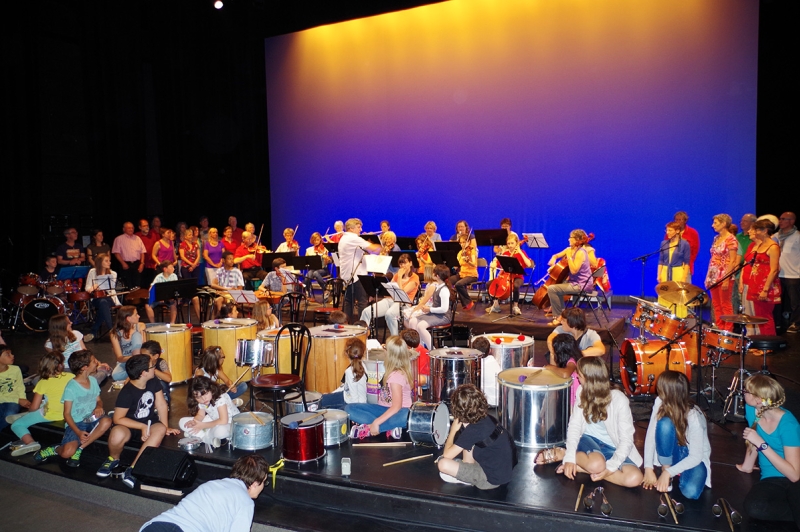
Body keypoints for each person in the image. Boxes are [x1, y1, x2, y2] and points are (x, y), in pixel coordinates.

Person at [535, 357, 643, 488]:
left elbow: (627, 440)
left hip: (612, 446)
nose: (577, 378)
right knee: (596, 464)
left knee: (635, 478)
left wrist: (608, 469)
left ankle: (581, 466)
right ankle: (569, 455)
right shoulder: (582, 392)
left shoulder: (619, 400)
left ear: (589, 379)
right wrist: (569, 457)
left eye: (579, 375)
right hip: (589, 440)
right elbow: (575, 426)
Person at [98, 354, 180, 487]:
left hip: (149, 422)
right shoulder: (127, 392)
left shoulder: (153, 382)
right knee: (116, 434)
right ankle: (113, 459)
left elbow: (161, 404)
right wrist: (141, 427)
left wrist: (165, 426)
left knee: (159, 429)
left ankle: (134, 468)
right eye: (152, 367)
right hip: (128, 424)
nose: (155, 368)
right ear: (143, 373)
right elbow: (118, 418)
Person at [139, 454, 268, 532]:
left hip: (155, 526)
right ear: (255, 483)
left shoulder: (211, 484)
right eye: (264, 482)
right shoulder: (246, 502)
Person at [736, 375, 800, 528]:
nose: (743, 393)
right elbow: (753, 437)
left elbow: (794, 475)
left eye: (747, 391)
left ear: (759, 399)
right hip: (772, 477)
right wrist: (747, 465)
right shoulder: (752, 409)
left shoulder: (788, 424)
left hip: (793, 477)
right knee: (754, 507)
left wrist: (762, 444)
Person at [33, 350, 113, 467]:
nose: (96, 363)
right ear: (85, 367)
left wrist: (99, 406)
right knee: (66, 453)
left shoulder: (93, 381)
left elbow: (99, 400)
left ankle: (80, 448)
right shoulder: (71, 387)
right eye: (93, 361)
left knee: (107, 421)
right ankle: (56, 449)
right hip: (76, 423)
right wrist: (78, 432)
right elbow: (67, 414)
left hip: (92, 418)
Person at [642, 371, 711, 500]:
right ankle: (666, 466)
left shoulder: (694, 415)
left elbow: (696, 456)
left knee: (691, 492)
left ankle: (673, 470)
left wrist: (669, 473)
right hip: (671, 453)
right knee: (664, 424)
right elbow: (651, 435)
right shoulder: (660, 402)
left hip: (690, 456)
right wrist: (648, 468)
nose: (657, 389)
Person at [436, 383, 514, 489]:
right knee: (466, 441)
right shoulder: (486, 418)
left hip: (490, 480)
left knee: (442, 464)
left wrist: (453, 430)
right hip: (501, 471)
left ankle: (467, 479)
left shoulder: (473, 430)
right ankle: (466, 469)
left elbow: (447, 455)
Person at [346, 335, 413, 439]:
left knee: (406, 415)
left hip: (398, 412)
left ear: (390, 354)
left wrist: (377, 422)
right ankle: (389, 427)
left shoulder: (397, 377)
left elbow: (397, 406)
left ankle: (371, 428)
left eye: (385, 347)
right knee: (349, 408)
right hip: (383, 409)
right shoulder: (391, 370)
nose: (383, 349)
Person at [10, 352, 74, 457]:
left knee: (16, 425)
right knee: (45, 402)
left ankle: (30, 442)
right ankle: (26, 415)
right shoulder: (71, 376)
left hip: (51, 415)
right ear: (61, 365)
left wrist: (31, 409)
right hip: (69, 411)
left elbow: (34, 407)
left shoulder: (42, 383)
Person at [361, 253, 420, 337]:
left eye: (405, 263)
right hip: (390, 300)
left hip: (404, 304)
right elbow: (388, 289)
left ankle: (395, 340)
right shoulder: (396, 276)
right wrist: (373, 294)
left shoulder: (415, 277)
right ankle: (362, 338)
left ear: (410, 263)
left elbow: (401, 292)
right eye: (401, 264)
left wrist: (399, 276)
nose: (403, 265)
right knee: (366, 312)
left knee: (390, 314)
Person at [740, 219, 782, 335]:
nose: (755, 231)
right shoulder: (760, 245)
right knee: (757, 315)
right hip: (755, 284)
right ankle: (759, 343)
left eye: (758, 229)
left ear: (765, 231)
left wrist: (765, 289)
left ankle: (767, 344)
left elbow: (774, 270)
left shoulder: (773, 247)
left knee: (765, 316)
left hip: (765, 286)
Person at [545, 229, 594, 325]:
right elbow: (556, 255)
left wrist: (569, 257)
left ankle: (559, 318)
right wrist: (553, 260)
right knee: (556, 289)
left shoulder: (581, 253)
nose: (568, 239)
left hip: (582, 285)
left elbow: (574, 270)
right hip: (573, 282)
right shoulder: (569, 250)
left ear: (576, 240)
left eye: (570, 238)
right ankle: (562, 317)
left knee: (552, 289)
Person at [45, 315, 112, 383]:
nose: (71, 323)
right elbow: (55, 361)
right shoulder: (49, 343)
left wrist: (98, 364)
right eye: (68, 322)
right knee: (96, 377)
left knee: (105, 369)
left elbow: (85, 351)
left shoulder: (76, 334)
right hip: (66, 369)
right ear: (61, 326)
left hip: (81, 366)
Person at [338, 218, 382, 321]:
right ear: (351, 228)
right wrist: (378, 241)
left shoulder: (344, 238)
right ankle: (362, 326)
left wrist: (365, 240)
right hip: (356, 275)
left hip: (347, 275)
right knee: (362, 301)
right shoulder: (353, 238)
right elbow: (374, 249)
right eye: (358, 227)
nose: (361, 229)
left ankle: (346, 326)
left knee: (349, 302)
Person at [179, 376, 239, 448]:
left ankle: (199, 435)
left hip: (230, 423)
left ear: (211, 389)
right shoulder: (202, 401)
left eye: (206, 394)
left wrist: (203, 425)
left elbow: (223, 420)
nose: (203, 399)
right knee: (182, 422)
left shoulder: (220, 398)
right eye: (198, 397)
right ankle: (208, 438)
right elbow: (201, 415)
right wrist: (194, 421)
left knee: (220, 431)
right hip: (213, 420)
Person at [405, 264, 452, 350]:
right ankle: (418, 347)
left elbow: (444, 309)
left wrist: (429, 309)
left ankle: (431, 350)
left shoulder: (444, 290)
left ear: (437, 276)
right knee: (413, 321)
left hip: (443, 316)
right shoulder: (437, 286)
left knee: (421, 326)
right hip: (435, 313)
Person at [706, 214, 738, 331]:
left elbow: (733, 260)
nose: (712, 225)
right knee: (716, 304)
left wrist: (726, 278)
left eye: (715, 223)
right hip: (713, 275)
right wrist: (708, 277)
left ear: (724, 224)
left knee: (725, 304)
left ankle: (728, 330)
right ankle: (719, 328)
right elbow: (713, 258)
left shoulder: (731, 239)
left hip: (725, 274)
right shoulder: (716, 238)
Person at [486, 234, 531, 316]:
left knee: (516, 285)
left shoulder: (522, 253)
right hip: (505, 277)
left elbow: (528, 264)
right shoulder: (506, 253)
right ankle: (496, 305)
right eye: (508, 243)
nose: (510, 246)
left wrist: (520, 252)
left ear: (516, 243)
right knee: (489, 284)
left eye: (512, 243)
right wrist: (494, 264)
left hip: (517, 277)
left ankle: (515, 306)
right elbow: (498, 263)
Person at [318, 337, 368, 410]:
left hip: (351, 404)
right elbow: (346, 387)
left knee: (319, 404)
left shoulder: (350, 371)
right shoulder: (362, 365)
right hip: (348, 397)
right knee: (320, 399)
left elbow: (354, 400)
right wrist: (331, 393)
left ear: (346, 353)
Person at [657, 221, 691, 318]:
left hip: (677, 271)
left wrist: (684, 277)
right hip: (665, 271)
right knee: (664, 294)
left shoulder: (684, 244)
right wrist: (659, 274)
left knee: (677, 295)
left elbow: (687, 262)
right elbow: (661, 261)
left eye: (670, 230)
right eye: (667, 230)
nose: (667, 232)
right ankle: (664, 317)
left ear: (677, 231)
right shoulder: (664, 243)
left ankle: (678, 318)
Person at [85, 252, 121, 340]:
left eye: (109, 261)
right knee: (102, 303)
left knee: (104, 302)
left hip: (109, 298)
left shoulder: (113, 273)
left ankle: (96, 331)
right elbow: (87, 288)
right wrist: (93, 287)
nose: (109, 262)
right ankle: (112, 330)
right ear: (100, 262)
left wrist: (102, 287)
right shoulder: (92, 272)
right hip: (96, 299)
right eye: (106, 261)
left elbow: (111, 289)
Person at [776, 212, 800, 333]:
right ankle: (778, 323)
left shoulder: (797, 236)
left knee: (795, 302)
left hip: (793, 275)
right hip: (778, 274)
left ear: (791, 221)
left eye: (783, 219)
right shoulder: (776, 236)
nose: (780, 221)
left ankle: (796, 323)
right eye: (780, 219)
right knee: (777, 300)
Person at [542, 333, 580, 406]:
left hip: (574, 402)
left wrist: (550, 367)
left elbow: (565, 374)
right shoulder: (568, 360)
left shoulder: (572, 361)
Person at [110, 305, 147, 381]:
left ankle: (137, 371)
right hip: (126, 360)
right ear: (128, 318)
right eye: (136, 314)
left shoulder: (140, 326)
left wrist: (138, 357)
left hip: (140, 359)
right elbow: (119, 358)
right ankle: (137, 372)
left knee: (136, 335)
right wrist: (133, 358)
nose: (139, 316)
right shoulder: (114, 333)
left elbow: (144, 346)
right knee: (116, 375)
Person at [0, 346, 31, 433]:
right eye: (7, 354)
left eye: (11, 353)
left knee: (9, 414)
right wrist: (18, 400)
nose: (12, 356)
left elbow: (20, 387)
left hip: (13, 401)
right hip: (10, 399)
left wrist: (23, 400)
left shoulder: (15, 369)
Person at [733, 213, 757, 313]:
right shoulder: (737, 237)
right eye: (741, 221)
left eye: (745, 221)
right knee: (735, 297)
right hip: (736, 270)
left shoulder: (754, 240)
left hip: (749, 271)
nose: (742, 223)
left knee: (744, 298)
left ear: (753, 223)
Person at [112, 221, 147, 290]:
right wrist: (123, 263)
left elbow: (142, 252)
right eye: (129, 228)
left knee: (138, 285)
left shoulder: (137, 238)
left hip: (137, 264)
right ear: (124, 229)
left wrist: (142, 263)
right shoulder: (119, 239)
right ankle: (129, 300)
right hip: (125, 265)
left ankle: (138, 300)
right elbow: (116, 252)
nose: (131, 229)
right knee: (128, 286)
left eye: (132, 228)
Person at [209, 251, 245, 316]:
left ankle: (222, 318)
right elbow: (213, 284)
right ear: (223, 260)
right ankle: (219, 319)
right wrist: (226, 289)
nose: (232, 261)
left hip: (233, 295)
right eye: (229, 259)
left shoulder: (237, 271)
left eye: (232, 259)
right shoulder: (219, 271)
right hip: (223, 294)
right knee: (218, 300)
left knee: (218, 300)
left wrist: (227, 292)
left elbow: (240, 289)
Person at [449, 234, 478, 311]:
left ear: (468, 242)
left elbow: (474, 264)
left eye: (464, 242)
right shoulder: (460, 253)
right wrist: (452, 266)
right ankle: (451, 301)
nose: (462, 244)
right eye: (461, 243)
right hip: (462, 274)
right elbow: (457, 265)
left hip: (471, 275)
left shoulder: (472, 251)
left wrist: (468, 261)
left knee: (459, 284)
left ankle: (468, 302)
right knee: (447, 281)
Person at [140, 340, 172, 405]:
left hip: (160, 389)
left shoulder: (161, 363)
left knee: (161, 383)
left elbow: (168, 379)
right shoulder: (140, 363)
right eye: (141, 355)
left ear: (156, 356)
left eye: (146, 356)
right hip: (146, 389)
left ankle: (164, 402)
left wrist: (152, 369)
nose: (143, 358)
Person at [673, 211, 700, 280]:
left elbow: (695, 251)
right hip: (672, 265)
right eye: (676, 220)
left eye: (680, 220)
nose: (677, 222)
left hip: (685, 266)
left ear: (685, 220)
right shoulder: (670, 232)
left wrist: (688, 263)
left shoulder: (693, 233)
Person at [305, 232, 332, 300]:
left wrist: (326, 258)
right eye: (314, 240)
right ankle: (308, 292)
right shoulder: (309, 250)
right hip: (313, 268)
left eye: (317, 240)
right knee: (308, 276)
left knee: (316, 273)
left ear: (320, 239)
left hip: (323, 269)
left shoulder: (324, 249)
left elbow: (329, 261)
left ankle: (325, 289)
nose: (316, 242)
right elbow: (306, 261)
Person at [402, 329, 429, 394]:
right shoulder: (409, 350)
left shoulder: (422, 352)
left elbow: (415, 372)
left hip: (425, 377)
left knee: (414, 378)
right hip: (414, 374)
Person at [136, 219, 159, 287]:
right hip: (141, 264)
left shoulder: (154, 234)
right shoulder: (136, 236)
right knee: (143, 284)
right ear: (140, 227)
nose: (147, 227)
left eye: (147, 225)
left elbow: (159, 248)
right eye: (144, 226)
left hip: (153, 263)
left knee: (153, 284)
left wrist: (157, 261)